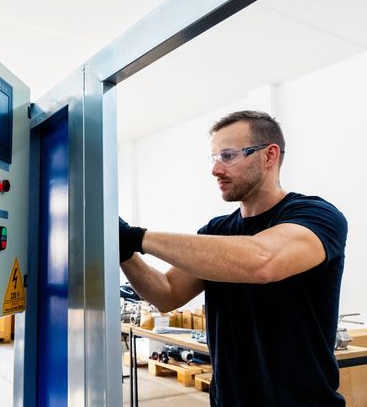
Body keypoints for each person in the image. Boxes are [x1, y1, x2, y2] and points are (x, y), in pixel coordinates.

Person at [119, 110, 347, 407]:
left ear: (269, 156)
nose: (216, 170)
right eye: (214, 158)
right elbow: (167, 293)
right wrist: (123, 249)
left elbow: (263, 261)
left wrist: (137, 236)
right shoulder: (216, 230)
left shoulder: (317, 216)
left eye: (228, 156)